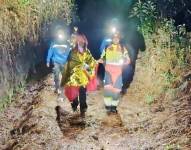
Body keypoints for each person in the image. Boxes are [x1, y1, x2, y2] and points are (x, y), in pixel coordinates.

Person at [61, 33, 96, 117]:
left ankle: (83, 108)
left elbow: (91, 61)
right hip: (74, 76)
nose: (81, 42)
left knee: (82, 92)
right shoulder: (72, 51)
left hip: (83, 76)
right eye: (79, 40)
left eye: (82, 40)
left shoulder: (87, 51)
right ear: (77, 41)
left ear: (85, 41)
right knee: (74, 93)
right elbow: (69, 63)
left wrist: (88, 66)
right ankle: (74, 105)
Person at [99, 32, 131, 113]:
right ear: (112, 39)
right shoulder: (107, 47)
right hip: (108, 71)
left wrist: (124, 62)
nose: (116, 39)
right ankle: (108, 105)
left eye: (117, 38)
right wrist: (100, 60)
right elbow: (102, 57)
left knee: (116, 89)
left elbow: (128, 59)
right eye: (114, 38)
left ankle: (113, 107)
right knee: (108, 88)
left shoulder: (123, 48)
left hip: (118, 72)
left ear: (119, 39)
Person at [46, 27, 70, 94]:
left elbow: (70, 52)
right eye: (59, 33)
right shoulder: (53, 43)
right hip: (56, 62)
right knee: (56, 75)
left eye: (61, 33)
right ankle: (57, 88)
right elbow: (50, 51)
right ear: (57, 34)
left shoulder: (67, 43)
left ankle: (64, 88)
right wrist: (48, 60)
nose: (60, 34)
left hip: (64, 62)